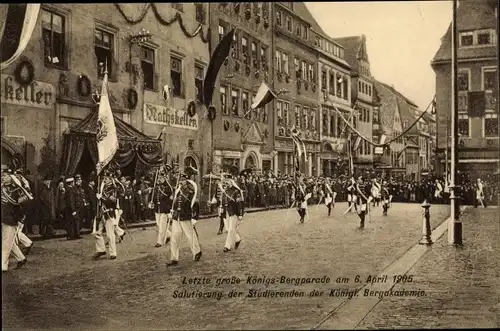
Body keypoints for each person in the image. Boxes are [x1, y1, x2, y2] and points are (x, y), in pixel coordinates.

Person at [167, 172, 202, 266]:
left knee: (190, 236)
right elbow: (175, 202)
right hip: (176, 217)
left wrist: (195, 217)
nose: (180, 181)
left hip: (185, 216)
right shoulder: (178, 190)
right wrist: (172, 211)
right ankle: (174, 258)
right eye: (180, 180)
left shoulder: (190, 191)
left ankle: (197, 251)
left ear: (186, 180)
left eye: (182, 180)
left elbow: (195, 203)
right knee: (174, 238)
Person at [1, 166, 28, 271]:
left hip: (11, 219)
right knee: (7, 242)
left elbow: (24, 202)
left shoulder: (16, 189)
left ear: (10, 176)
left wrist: (20, 218)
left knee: (6, 243)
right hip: (2, 218)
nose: (3, 177)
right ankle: (21, 258)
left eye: (5, 176)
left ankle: (3, 265)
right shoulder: (2, 187)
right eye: (2, 176)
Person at [93, 170, 119, 260]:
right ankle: (101, 250)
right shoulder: (101, 188)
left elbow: (112, 201)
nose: (105, 180)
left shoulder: (113, 189)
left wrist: (102, 198)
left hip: (109, 213)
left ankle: (113, 253)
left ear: (111, 180)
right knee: (96, 233)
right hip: (100, 214)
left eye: (107, 179)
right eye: (104, 178)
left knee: (110, 235)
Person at [150, 169, 173, 248]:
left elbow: (170, 200)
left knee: (162, 226)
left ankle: (160, 241)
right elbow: (153, 197)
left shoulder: (168, 188)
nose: (160, 179)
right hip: (157, 208)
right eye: (159, 178)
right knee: (159, 224)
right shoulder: (156, 187)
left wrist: (169, 210)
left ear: (165, 178)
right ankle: (169, 235)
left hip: (164, 209)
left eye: (162, 178)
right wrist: (152, 202)